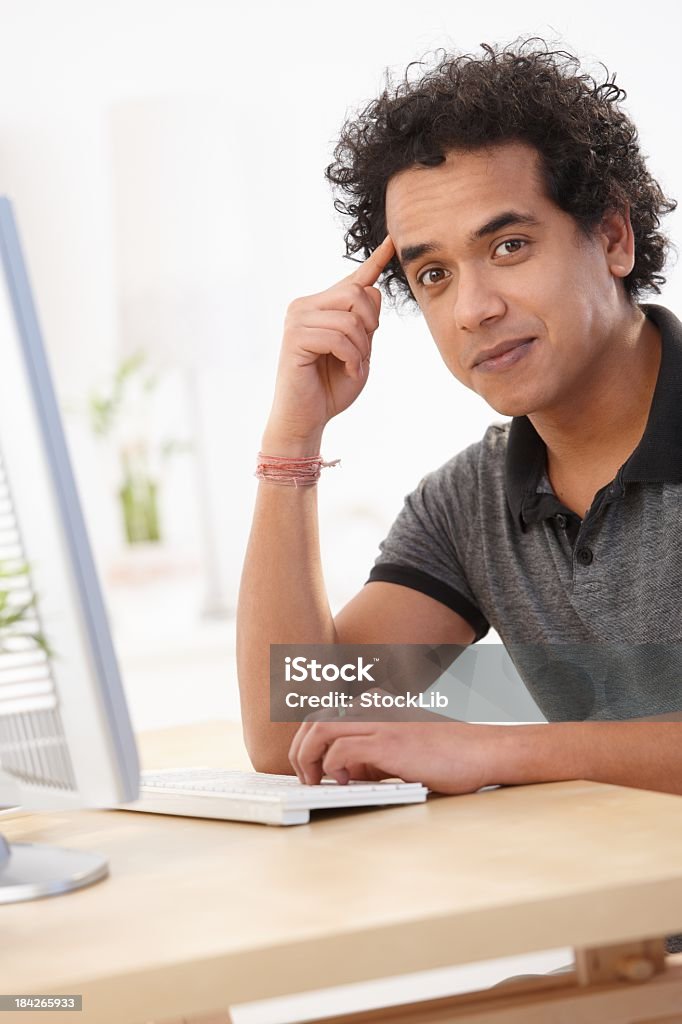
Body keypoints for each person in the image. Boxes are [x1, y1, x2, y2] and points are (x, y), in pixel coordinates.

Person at [236, 40, 682, 802]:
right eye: (433, 274)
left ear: (612, 238)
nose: (474, 310)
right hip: (625, 914)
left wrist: (495, 753)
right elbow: (293, 733)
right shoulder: (469, 504)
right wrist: (292, 442)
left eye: (509, 246)